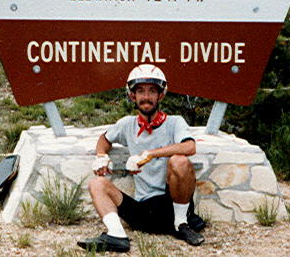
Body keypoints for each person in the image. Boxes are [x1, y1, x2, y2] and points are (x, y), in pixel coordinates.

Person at [77, 64, 205, 253]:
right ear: (132, 96)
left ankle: (181, 225)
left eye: (152, 91)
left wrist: (150, 154)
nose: (146, 97)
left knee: (179, 161)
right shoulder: (127, 124)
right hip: (144, 209)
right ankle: (117, 235)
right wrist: (101, 156)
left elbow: (189, 146)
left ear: (161, 95)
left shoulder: (174, 122)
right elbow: (104, 139)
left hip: (170, 204)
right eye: (140, 91)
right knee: (97, 184)